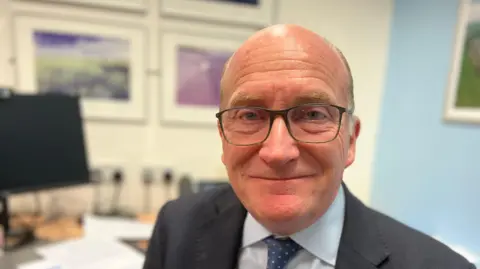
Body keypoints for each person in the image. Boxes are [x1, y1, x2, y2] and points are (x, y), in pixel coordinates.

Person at [143, 24, 476, 269]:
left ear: (351, 140)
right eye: (249, 115)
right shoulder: (177, 227)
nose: (277, 151)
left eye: (313, 114)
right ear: (222, 136)